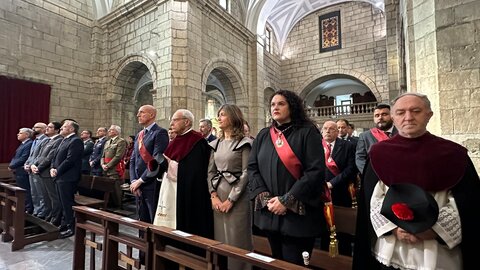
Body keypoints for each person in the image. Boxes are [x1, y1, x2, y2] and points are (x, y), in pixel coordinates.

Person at [353, 93, 480, 270]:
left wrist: (434, 230)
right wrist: (394, 228)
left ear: (429, 114)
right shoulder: (379, 153)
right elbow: (373, 199)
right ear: (394, 117)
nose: (408, 117)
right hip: (392, 249)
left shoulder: (454, 154)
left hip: (439, 252)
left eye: (416, 111)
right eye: (400, 112)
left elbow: (466, 204)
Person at [248, 90, 327, 265]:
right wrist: (265, 197)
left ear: (292, 106)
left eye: (281, 103)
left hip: (298, 215)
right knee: (275, 261)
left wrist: (286, 200)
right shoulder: (263, 135)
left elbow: (315, 171)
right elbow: (252, 168)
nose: (275, 107)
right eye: (272, 104)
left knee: (294, 263)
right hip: (269, 212)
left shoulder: (308, 132)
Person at [151, 109, 213, 240]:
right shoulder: (175, 140)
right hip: (169, 187)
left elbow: (195, 171)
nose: (171, 123)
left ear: (187, 122)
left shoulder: (197, 141)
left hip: (186, 192)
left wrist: (169, 164)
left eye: (175, 120)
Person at [208, 104, 253, 270]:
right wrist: (213, 196)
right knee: (221, 239)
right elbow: (210, 172)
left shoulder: (244, 142)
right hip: (218, 197)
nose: (219, 118)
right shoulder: (216, 143)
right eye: (219, 115)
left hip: (237, 199)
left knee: (237, 240)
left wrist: (230, 200)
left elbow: (246, 173)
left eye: (223, 115)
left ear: (233, 117)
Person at [129, 105, 169, 224]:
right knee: (141, 218)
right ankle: (142, 242)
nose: (138, 115)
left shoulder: (160, 132)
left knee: (152, 219)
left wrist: (141, 180)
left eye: (142, 112)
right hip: (137, 184)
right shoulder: (139, 134)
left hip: (151, 183)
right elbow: (133, 160)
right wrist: (133, 181)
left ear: (152, 115)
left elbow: (157, 161)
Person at [50, 120, 83, 238]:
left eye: (64, 127)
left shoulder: (76, 141)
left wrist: (57, 170)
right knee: (62, 203)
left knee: (67, 203)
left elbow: (70, 160)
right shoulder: (64, 140)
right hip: (60, 176)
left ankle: (71, 227)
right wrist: (53, 167)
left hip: (68, 177)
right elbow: (55, 156)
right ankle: (64, 224)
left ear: (71, 129)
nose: (61, 129)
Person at [31, 122, 63, 226]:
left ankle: (55, 217)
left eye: (50, 127)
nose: (47, 129)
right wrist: (33, 165)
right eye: (47, 127)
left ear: (57, 130)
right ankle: (49, 214)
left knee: (52, 196)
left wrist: (38, 167)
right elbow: (40, 155)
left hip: (47, 172)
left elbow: (50, 157)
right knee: (45, 196)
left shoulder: (58, 140)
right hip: (41, 171)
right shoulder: (47, 140)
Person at [355, 103, 397, 174]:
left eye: (384, 114)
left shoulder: (403, 133)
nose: (380, 118)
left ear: (392, 116)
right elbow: (360, 158)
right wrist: (370, 174)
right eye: (377, 115)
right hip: (376, 177)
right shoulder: (365, 136)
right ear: (374, 119)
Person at [8, 128, 34, 213]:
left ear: (27, 135)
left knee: (25, 190)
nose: (18, 134)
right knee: (21, 190)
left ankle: (28, 208)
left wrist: (12, 165)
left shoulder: (29, 144)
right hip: (18, 170)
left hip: (23, 171)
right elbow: (16, 157)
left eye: (20, 133)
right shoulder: (23, 144)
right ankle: (24, 207)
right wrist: (12, 165)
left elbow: (24, 158)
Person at [101, 125, 127, 206]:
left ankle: (118, 206)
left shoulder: (121, 141)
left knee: (116, 189)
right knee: (107, 189)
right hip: (105, 168)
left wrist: (108, 165)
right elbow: (103, 156)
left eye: (111, 130)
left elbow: (118, 156)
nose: (109, 131)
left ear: (116, 132)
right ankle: (109, 205)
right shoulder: (107, 142)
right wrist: (102, 164)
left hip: (114, 169)